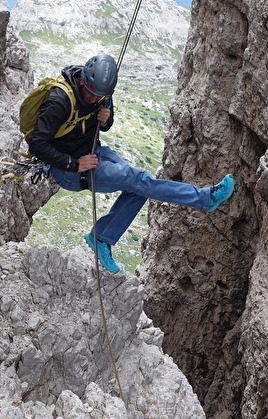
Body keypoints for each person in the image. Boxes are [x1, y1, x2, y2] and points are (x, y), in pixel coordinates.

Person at [26, 53, 235, 273]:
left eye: (98, 96)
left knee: (139, 186)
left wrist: (106, 120)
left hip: (93, 153)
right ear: (83, 80)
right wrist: (75, 165)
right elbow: (37, 143)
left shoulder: (102, 92)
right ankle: (205, 198)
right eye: (89, 93)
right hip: (69, 169)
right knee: (137, 180)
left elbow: (103, 125)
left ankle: (102, 238)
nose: (91, 99)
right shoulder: (59, 100)